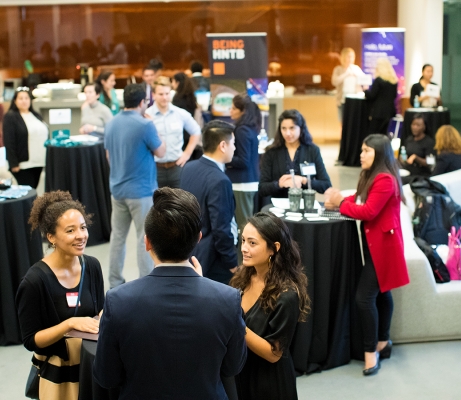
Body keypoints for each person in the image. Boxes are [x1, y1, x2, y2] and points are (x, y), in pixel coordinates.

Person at [93, 187, 247, 399]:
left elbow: (106, 377)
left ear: (146, 242)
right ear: (198, 239)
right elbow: (232, 367)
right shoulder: (228, 299)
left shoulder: (118, 300)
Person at [324, 134, 409, 376]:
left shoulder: (384, 179)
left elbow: (369, 211)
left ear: (379, 154)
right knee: (382, 293)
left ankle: (371, 352)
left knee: (364, 297)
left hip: (385, 248)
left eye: (366, 151)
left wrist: (341, 203)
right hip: (377, 246)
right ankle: (383, 342)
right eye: (361, 150)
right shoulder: (371, 176)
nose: (361, 155)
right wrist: (340, 202)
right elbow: (360, 200)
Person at [16, 191, 105, 399]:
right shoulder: (34, 281)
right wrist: (69, 324)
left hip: (91, 364)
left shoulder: (92, 266)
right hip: (58, 374)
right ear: (51, 237)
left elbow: (100, 309)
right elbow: (31, 340)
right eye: (70, 230)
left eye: (83, 227)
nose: (81, 235)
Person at [230, 212, 310, 400]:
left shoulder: (287, 295)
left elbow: (274, 354)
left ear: (274, 248)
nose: (243, 248)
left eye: (252, 243)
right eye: (243, 241)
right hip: (241, 373)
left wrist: (236, 324)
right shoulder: (243, 277)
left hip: (269, 383)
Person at [105, 83, 166, 288]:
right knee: (145, 237)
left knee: (118, 237)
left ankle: (114, 281)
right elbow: (161, 152)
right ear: (142, 102)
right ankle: (146, 283)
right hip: (140, 191)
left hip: (117, 189)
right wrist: (154, 126)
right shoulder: (145, 125)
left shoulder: (111, 123)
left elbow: (108, 156)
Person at [180, 120, 238, 284]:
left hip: (190, 252)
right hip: (213, 259)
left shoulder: (189, 168)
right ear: (223, 145)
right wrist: (232, 263)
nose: (235, 148)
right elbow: (221, 228)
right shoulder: (220, 181)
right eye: (233, 143)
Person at [259, 109, 331, 199]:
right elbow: (262, 188)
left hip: (304, 205)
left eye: (292, 128)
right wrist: (279, 184)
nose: (287, 133)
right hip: (278, 207)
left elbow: (326, 185)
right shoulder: (271, 152)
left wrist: (304, 180)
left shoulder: (312, 150)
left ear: (301, 128)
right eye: (283, 128)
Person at [145, 77, 201, 188]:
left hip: (177, 167)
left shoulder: (180, 113)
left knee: (179, 203)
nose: (165, 97)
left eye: (167, 93)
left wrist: (187, 153)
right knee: (158, 204)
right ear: (153, 95)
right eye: (161, 94)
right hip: (155, 169)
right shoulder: (147, 115)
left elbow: (196, 131)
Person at [226, 95, 260, 234]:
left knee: (244, 228)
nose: (230, 111)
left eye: (234, 108)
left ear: (243, 111)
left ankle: (243, 256)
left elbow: (243, 161)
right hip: (246, 183)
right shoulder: (250, 129)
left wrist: (225, 159)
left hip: (242, 184)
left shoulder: (242, 130)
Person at [3, 87, 48, 188]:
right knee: (28, 193)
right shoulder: (11, 117)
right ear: (15, 101)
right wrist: (13, 163)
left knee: (34, 189)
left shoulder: (35, 115)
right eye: (21, 98)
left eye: (26, 98)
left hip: (39, 161)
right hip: (23, 165)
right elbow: (9, 141)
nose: (24, 101)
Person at [364, 58, 398, 135]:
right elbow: (395, 96)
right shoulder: (394, 81)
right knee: (383, 134)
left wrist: (365, 90)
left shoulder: (378, 80)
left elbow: (372, 95)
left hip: (378, 112)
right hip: (389, 112)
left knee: (373, 134)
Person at [331, 47, 365, 122]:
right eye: (348, 56)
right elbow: (334, 82)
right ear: (343, 57)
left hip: (355, 101)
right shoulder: (338, 69)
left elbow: (365, 82)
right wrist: (346, 74)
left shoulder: (356, 69)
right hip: (342, 101)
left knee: (354, 122)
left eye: (352, 57)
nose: (351, 59)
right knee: (343, 122)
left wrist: (357, 75)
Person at [400, 113, 435, 178]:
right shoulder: (408, 140)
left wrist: (416, 158)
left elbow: (429, 163)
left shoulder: (429, 142)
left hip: (421, 175)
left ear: (424, 127)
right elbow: (404, 153)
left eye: (418, 125)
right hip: (407, 172)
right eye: (413, 124)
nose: (415, 127)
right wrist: (402, 158)